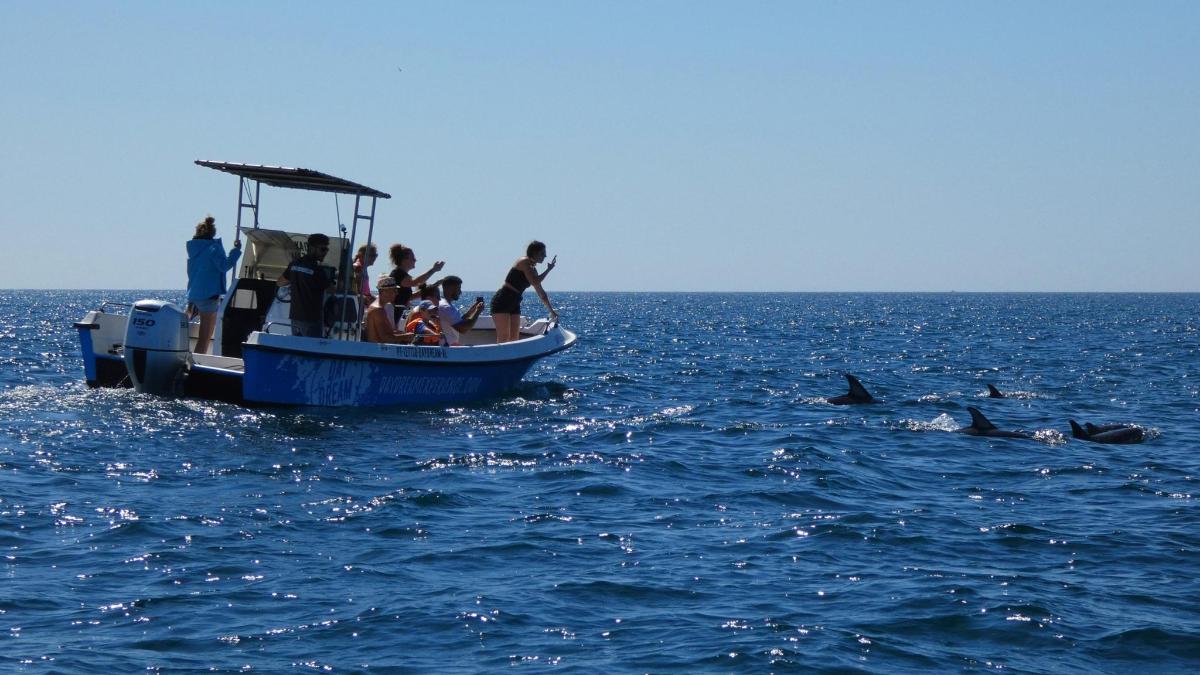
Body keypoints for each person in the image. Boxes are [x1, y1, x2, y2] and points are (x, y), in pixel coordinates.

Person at [186, 215, 242, 354]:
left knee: (202, 337)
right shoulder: (214, 248)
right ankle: (197, 364)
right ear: (213, 233)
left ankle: (194, 360)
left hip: (194, 296)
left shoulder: (194, 250)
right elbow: (224, 266)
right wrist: (236, 251)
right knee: (204, 338)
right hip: (209, 296)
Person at [491, 240, 557, 343]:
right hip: (503, 299)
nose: (545, 256)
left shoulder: (533, 270)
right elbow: (535, 281)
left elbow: (541, 293)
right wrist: (548, 270)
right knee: (503, 338)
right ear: (534, 253)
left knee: (514, 339)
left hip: (515, 301)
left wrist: (551, 311)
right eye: (542, 253)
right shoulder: (524, 262)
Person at [277, 233, 335, 338]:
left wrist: (294, 282)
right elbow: (331, 290)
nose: (325, 253)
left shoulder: (295, 264)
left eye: (326, 250)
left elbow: (280, 282)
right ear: (312, 248)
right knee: (312, 350)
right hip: (311, 320)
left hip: (295, 318)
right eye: (322, 249)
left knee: (297, 349)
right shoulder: (317, 270)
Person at [387, 244, 444, 325]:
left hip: (395, 315)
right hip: (390, 314)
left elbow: (409, 297)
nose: (415, 260)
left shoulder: (401, 276)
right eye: (413, 258)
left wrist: (434, 286)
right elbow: (415, 282)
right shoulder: (398, 274)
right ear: (404, 260)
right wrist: (433, 270)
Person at [364, 276, 416, 344]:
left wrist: (404, 334)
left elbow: (387, 333)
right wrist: (405, 337)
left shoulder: (379, 308)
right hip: (377, 352)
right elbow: (385, 338)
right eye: (394, 290)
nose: (396, 293)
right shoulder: (378, 310)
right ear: (383, 291)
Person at [437, 275, 485, 346]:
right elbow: (463, 329)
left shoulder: (443, 303)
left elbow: (458, 321)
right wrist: (478, 311)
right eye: (458, 288)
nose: (460, 292)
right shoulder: (446, 307)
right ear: (450, 289)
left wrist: (474, 307)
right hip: (448, 348)